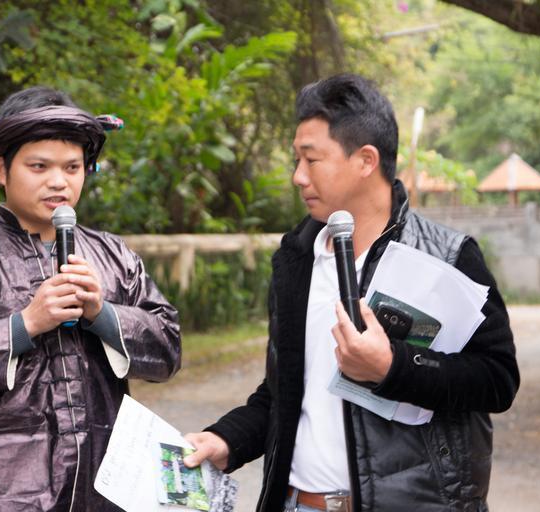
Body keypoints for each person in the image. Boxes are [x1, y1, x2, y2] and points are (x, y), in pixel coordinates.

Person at [183, 74, 519, 512]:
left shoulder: (446, 258)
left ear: (365, 160)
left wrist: (393, 368)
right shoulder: (296, 259)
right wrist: (227, 438)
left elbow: (498, 380)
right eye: (296, 160)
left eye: (311, 160)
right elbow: (286, 391)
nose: (297, 176)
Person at [0, 86, 181, 511]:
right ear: (1, 169)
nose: (58, 181)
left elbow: (168, 348)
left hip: (102, 488)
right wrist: (25, 325)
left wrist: (102, 314)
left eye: (72, 167)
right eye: (39, 166)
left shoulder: (114, 255)